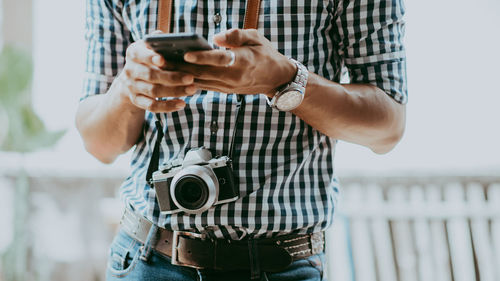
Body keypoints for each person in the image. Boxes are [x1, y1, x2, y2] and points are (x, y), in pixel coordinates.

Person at [76, 0, 407, 280]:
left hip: (284, 266)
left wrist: (285, 79)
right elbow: (99, 145)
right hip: (147, 258)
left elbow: (387, 128)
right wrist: (127, 88)